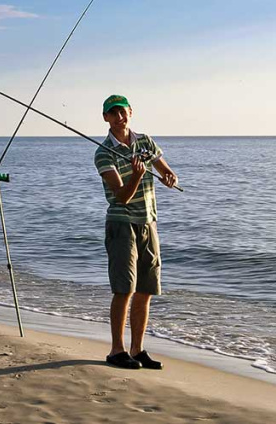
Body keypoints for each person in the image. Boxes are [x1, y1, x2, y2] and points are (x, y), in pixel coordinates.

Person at [94, 95, 178, 370]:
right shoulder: (104, 152)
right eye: (113, 113)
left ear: (131, 112)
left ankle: (137, 349)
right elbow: (121, 197)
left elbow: (163, 169)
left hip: (148, 222)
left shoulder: (145, 141)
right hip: (121, 224)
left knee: (145, 290)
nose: (119, 117)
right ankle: (117, 350)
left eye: (122, 111)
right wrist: (137, 175)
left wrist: (169, 177)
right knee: (124, 289)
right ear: (106, 118)